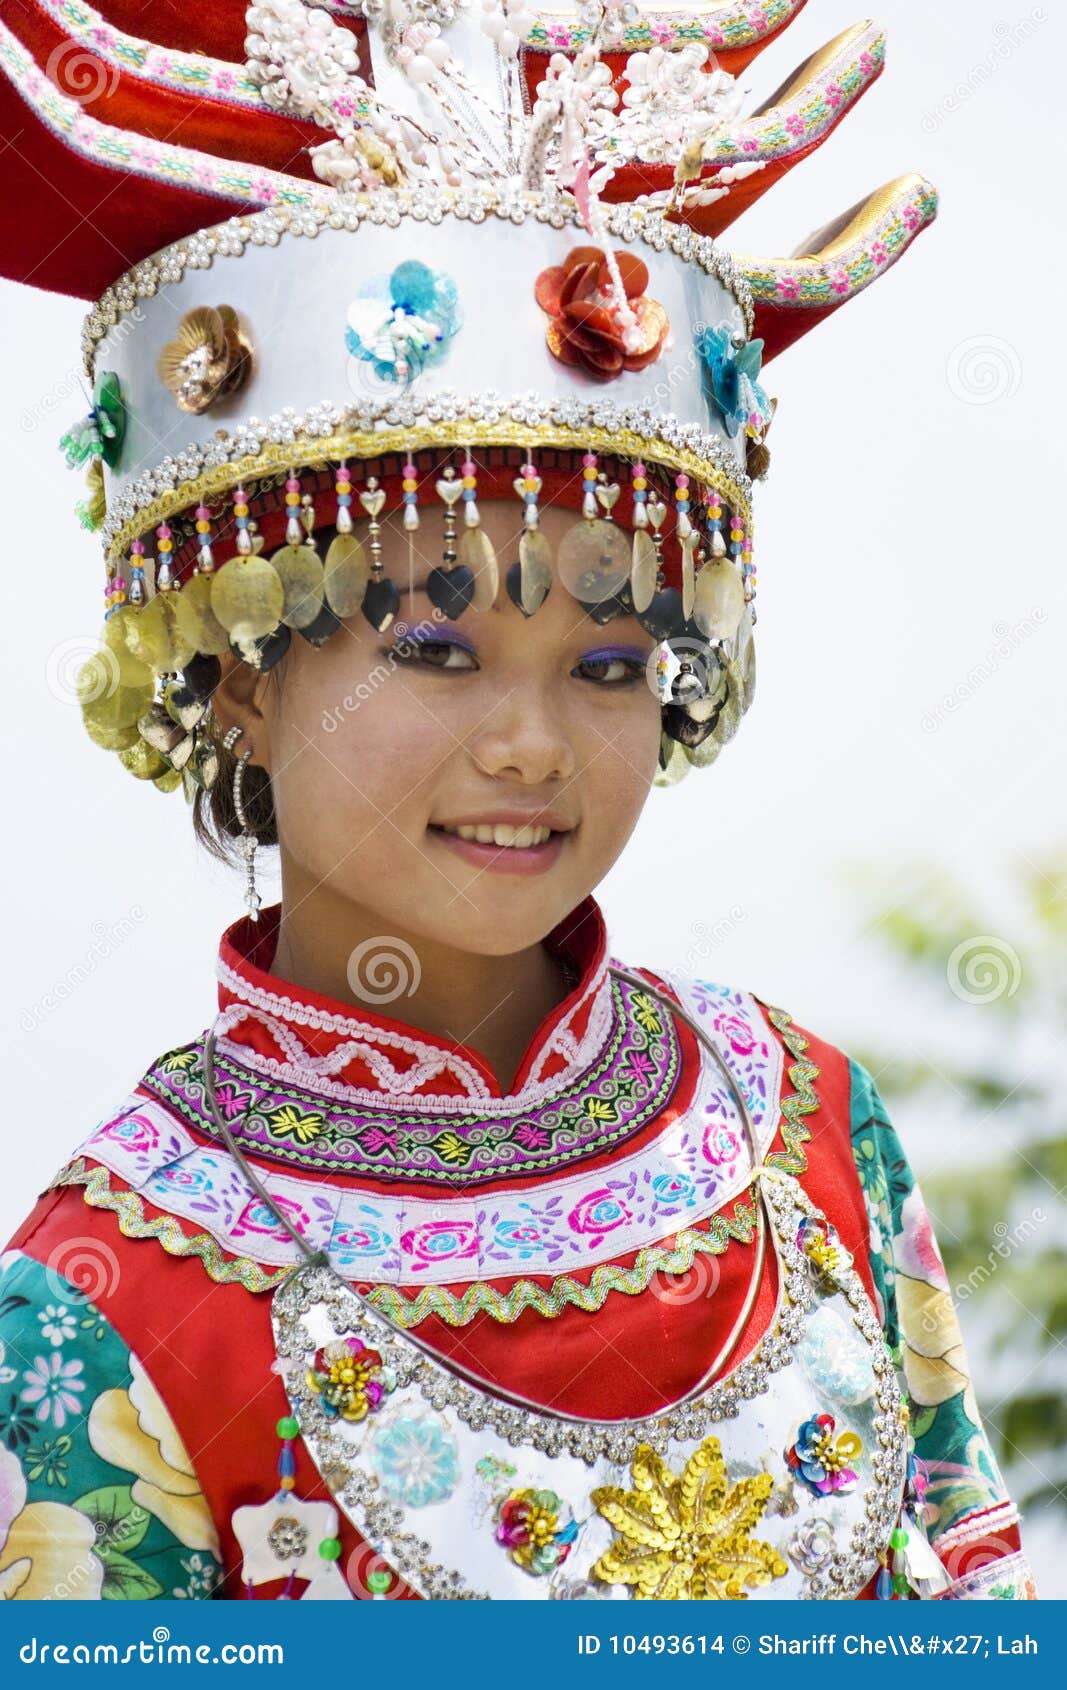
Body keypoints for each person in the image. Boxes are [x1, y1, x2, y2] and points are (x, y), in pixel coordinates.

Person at [0, 1, 1033, 1602]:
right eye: (436, 646)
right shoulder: (107, 1290)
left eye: (609, 665)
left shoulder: (812, 1132)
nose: (532, 742)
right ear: (241, 672)